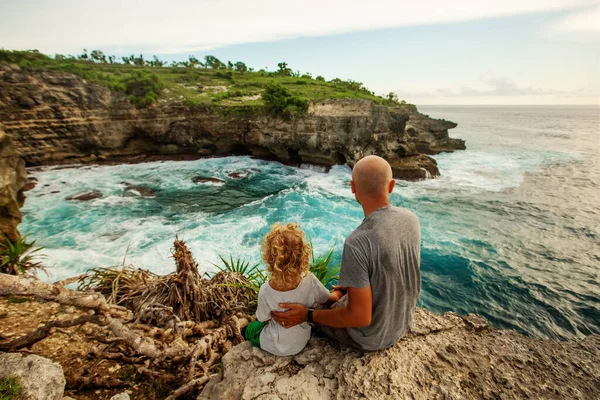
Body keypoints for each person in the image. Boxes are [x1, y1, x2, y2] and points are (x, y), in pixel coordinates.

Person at [272, 155, 421, 351]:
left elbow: (359, 317)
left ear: (353, 188)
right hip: (402, 324)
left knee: (317, 307)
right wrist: (353, 285)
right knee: (336, 296)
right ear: (391, 185)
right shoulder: (410, 219)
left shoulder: (357, 241)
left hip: (372, 339)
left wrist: (307, 315)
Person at [244, 222, 332, 356]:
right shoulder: (310, 280)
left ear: (269, 258)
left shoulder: (266, 290)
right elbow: (326, 298)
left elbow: (262, 318)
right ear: (303, 256)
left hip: (274, 345)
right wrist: (341, 291)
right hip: (300, 342)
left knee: (251, 328)